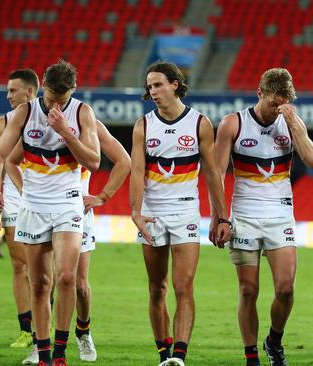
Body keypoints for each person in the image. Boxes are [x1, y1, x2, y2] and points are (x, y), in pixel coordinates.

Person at [0, 60, 101, 366]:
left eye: (61, 99)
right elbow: (0, 154)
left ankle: (59, 353)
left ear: (73, 91)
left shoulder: (82, 113)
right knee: (39, 284)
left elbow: (93, 162)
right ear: (42, 85)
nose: (55, 104)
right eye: (52, 97)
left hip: (68, 204)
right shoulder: (25, 113)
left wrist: (66, 132)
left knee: (67, 277)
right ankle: (43, 354)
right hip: (33, 206)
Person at [214, 68, 313, 366]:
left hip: (280, 217)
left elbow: (312, 159)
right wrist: (220, 218)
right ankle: (251, 358)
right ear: (260, 93)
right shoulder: (233, 123)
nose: (277, 109)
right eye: (273, 103)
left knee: (285, 289)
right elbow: (216, 173)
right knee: (248, 291)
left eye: (283, 103)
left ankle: (273, 340)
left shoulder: (290, 123)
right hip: (244, 217)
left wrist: (295, 124)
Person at [130, 61, 231, 366]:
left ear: (175, 84)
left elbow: (213, 173)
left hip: (186, 211)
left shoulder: (199, 123)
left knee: (183, 286)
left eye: (158, 84)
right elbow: (136, 171)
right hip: (152, 213)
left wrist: (221, 216)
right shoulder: (143, 126)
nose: (153, 91)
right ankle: (164, 354)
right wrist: (135, 211)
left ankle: (180, 356)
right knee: (156, 287)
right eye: (149, 87)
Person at [72, 120, 131, 362]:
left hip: (77, 213)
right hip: (41, 212)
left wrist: (103, 196)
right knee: (42, 282)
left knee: (79, 284)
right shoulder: (31, 119)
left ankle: (83, 332)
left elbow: (124, 161)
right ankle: (40, 342)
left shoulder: (87, 122)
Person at [0, 69, 38, 352]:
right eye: (7, 90)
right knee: (19, 264)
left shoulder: (49, 117)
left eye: (13, 91)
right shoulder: (4, 122)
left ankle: (45, 325)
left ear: (30, 92)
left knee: (44, 268)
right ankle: (27, 331)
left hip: (43, 195)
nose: (8, 96)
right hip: (12, 196)